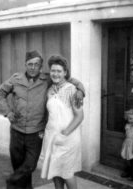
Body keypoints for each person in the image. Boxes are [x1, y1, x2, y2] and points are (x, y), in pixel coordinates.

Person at [0, 50, 85, 189]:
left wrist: (81, 89)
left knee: (30, 166)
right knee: (20, 167)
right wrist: (7, 111)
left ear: (41, 66)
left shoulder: (47, 79)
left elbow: (70, 79)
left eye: (37, 64)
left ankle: (11, 183)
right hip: (17, 131)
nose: (33, 67)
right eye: (30, 64)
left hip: (36, 133)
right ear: (25, 64)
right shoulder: (16, 79)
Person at [40, 55, 84, 189]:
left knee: (67, 173)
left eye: (59, 71)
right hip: (51, 137)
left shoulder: (72, 90)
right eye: (53, 70)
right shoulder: (49, 90)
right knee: (55, 171)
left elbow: (79, 116)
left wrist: (65, 133)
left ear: (65, 72)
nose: (55, 74)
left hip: (68, 138)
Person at [120, 109, 133, 181]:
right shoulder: (127, 125)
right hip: (127, 144)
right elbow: (126, 135)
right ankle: (128, 172)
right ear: (127, 119)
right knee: (127, 160)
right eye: (130, 118)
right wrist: (124, 144)